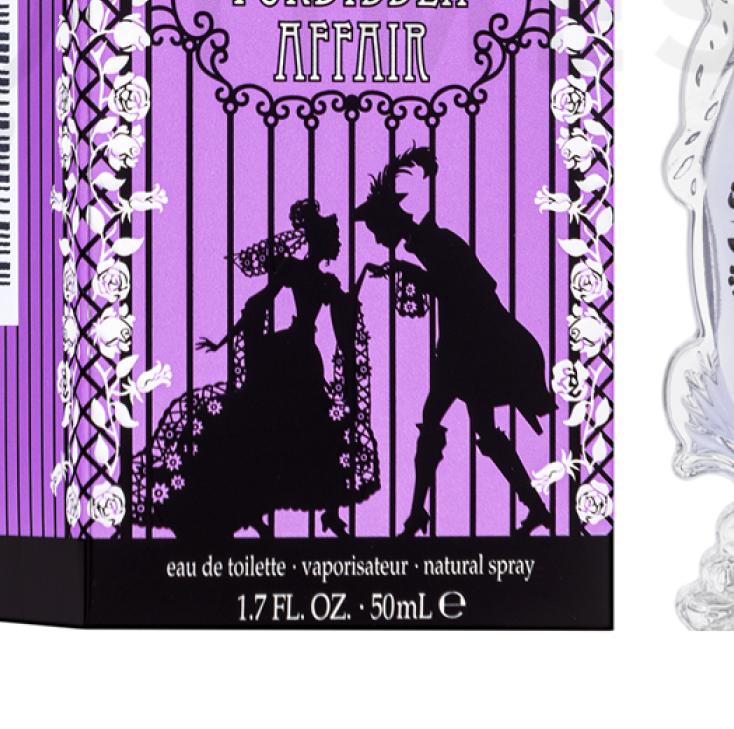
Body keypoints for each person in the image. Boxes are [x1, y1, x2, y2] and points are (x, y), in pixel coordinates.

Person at [132, 198, 379, 539]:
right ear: (318, 240)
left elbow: (335, 316)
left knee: (309, 425)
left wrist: (354, 293)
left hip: (300, 352)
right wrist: (227, 339)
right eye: (333, 239)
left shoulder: (326, 282)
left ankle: (326, 511)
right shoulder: (301, 273)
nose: (337, 245)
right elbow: (260, 301)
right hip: (294, 354)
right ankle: (279, 507)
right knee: (299, 424)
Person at [356, 146, 554, 537]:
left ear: (391, 221)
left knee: (451, 423)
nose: (377, 239)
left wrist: (410, 271)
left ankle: (422, 514)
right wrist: (408, 269)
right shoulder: (425, 242)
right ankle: (531, 508)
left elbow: (470, 287)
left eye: (377, 231)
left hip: (469, 355)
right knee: (465, 427)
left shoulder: (436, 241)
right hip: (460, 353)